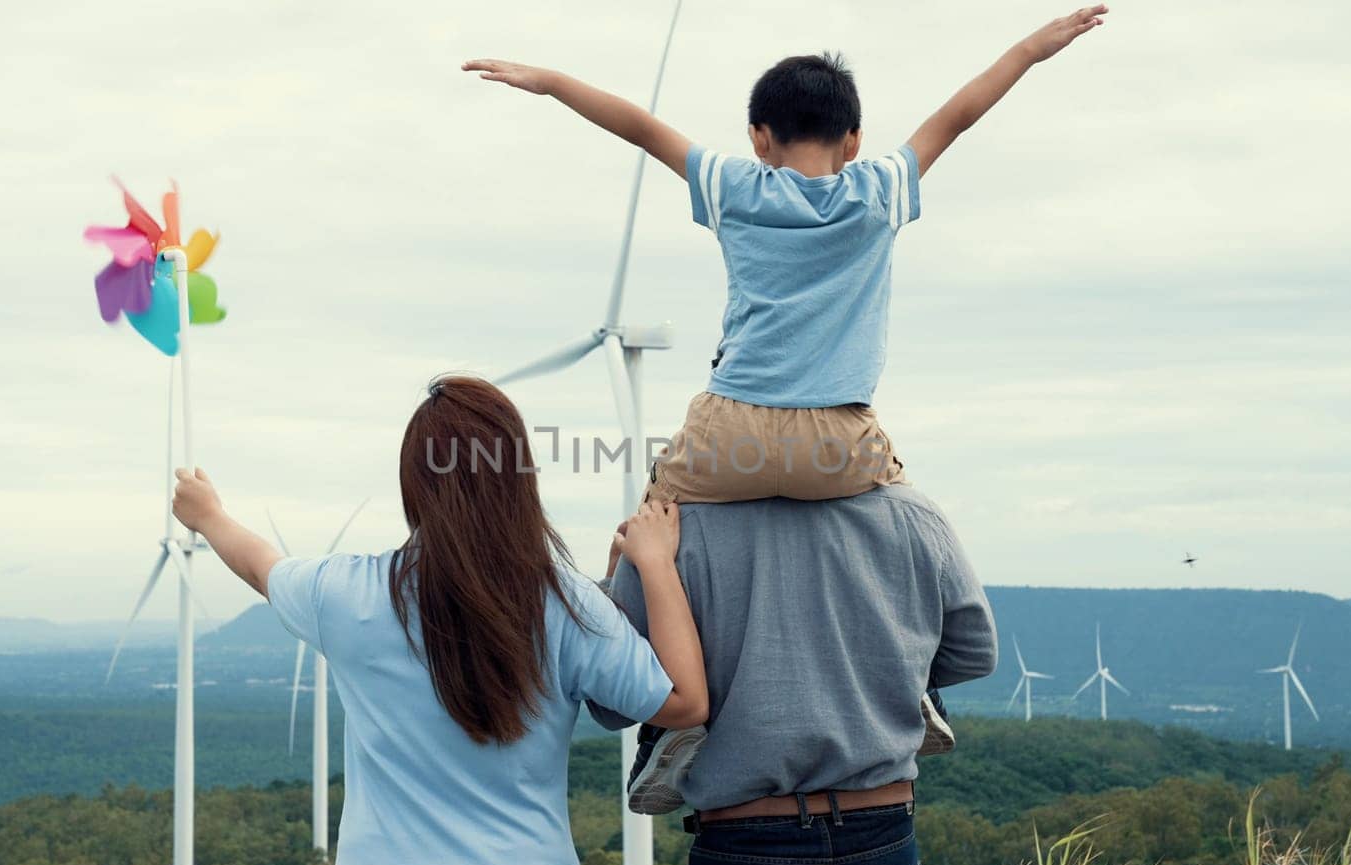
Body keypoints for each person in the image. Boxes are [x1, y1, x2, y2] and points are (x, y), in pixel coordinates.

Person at [464, 5, 1108, 504]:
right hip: (839, 441)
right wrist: (1030, 50)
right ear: (853, 140)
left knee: (642, 535)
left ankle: (634, 655)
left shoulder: (734, 186)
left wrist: (548, 81)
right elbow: (958, 115)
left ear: (758, 138)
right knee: (913, 532)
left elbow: (639, 125)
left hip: (730, 433)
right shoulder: (879, 191)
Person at [168, 375, 707, 865]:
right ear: (519, 476)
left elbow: (263, 567)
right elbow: (684, 701)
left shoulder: (347, 593)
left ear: (414, 485)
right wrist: (655, 563)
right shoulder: (566, 603)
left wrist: (209, 516)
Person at [594, 487, 997, 865]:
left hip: (745, 848)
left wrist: (615, 586)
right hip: (883, 833)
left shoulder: (670, 528)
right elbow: (975, 654)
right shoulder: (912, 513)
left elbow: (612, 704)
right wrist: (883, 676)